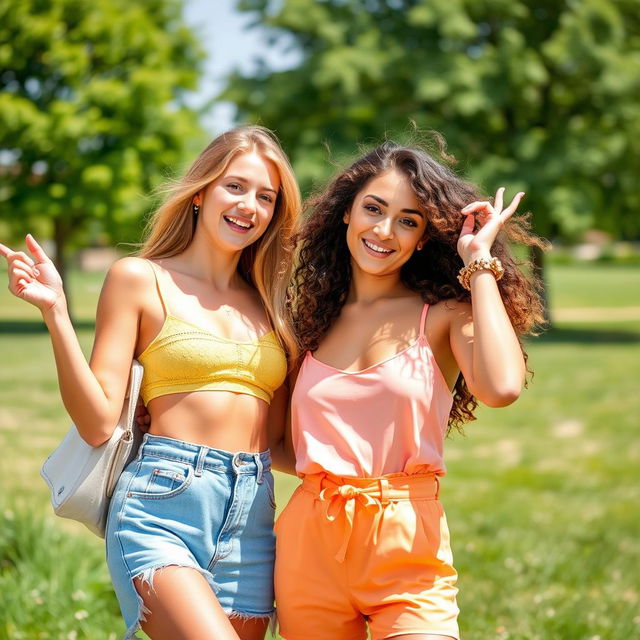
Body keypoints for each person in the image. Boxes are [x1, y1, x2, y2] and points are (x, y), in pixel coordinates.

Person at [0, 125, 300, 640]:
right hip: (162, 503)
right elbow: (97, 423)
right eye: (235, 186)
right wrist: (56, 314)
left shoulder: (271, 306)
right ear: (201, 191)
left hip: (252, 517)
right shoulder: (139, 278)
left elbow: (277, 443)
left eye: (265, 196)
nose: (249, 205)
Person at [274, 139, 545, 640]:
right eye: (373, 209)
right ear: (345, 215)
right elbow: (287, 447)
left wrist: (478, 262)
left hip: (406, 541)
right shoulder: (309, 324)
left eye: (407, 220)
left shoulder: (443, 315)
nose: (384, 230)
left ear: (423, 237)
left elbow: (502, 387)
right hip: (310, 539)